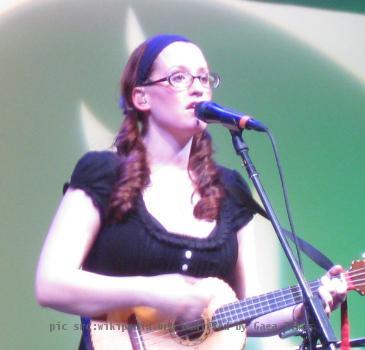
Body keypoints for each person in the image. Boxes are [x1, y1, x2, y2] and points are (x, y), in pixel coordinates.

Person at [35, 34, 347, 349]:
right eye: (179, 77)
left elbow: (245, 314)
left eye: (203, 77)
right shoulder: (103, 173)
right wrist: (149, 291)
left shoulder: (230, 190)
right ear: (141, 97)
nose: (197, 87)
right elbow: (51, 284)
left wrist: (302, 308)